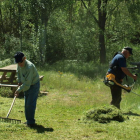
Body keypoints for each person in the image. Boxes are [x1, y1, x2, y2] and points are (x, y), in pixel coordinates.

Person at [14, 51, 40, 127]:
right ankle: (29, 120)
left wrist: (18, 90)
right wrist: (19, 81)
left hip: (33, 85)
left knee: (30, 104)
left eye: (21, 62)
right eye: (18, 63)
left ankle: (31, 122)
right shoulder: (19, 64)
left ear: (24, 58)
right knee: (26, 104)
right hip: (26, 84)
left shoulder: (29, 67)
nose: (19, 64)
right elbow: (18, 72)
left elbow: (27, 84)